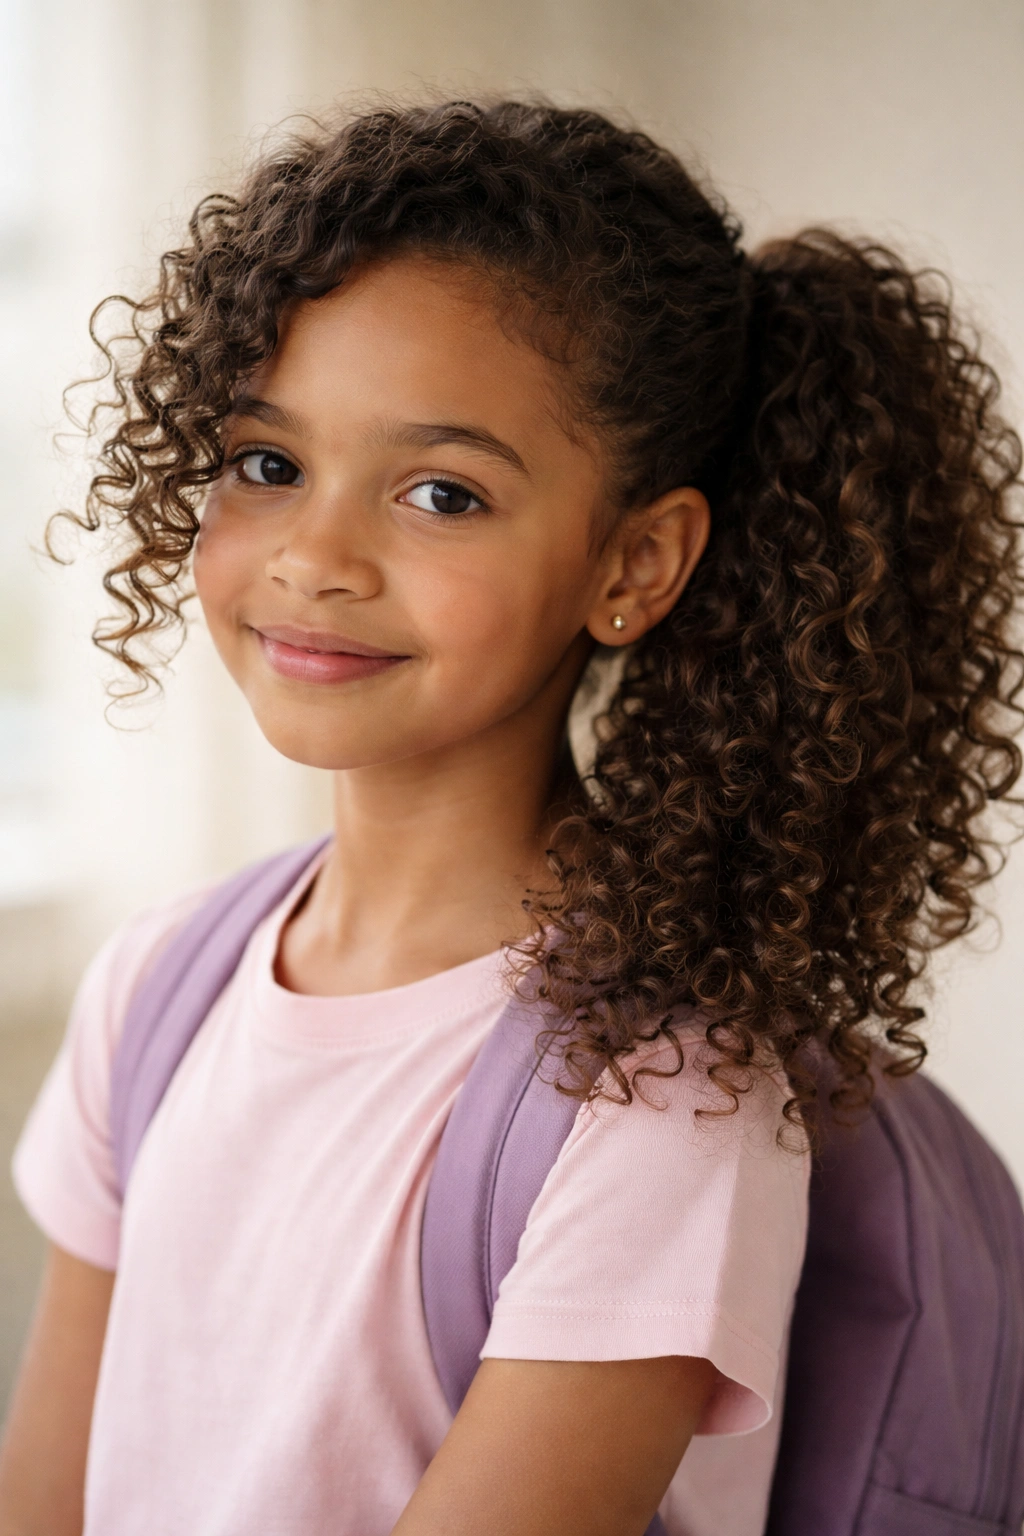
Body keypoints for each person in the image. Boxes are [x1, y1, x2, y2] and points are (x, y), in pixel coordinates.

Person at [0, 100, 1021, 1536]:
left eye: (442, 493)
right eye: (268, 463)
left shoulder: (661, 1098)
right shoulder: (156, 991)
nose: (317, 556)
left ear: (635, 564)